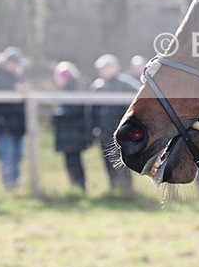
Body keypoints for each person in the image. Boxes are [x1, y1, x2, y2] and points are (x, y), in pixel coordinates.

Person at [90, 53, 137, 194]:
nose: (104, 70)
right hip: (104, 132)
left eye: (107, 67)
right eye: (102, 68)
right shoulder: (98, 86)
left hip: (123, 131)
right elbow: (93, 110)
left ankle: (127, 189)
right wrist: (94, 128)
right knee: (108, 161)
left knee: (124, 160)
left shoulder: (126, 84)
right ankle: (113, 188)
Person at [0, 47, 27, 191]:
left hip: (18, 126)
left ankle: (17, 186)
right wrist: (13, 91)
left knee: (18, 157)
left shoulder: (17, 77)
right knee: (7, 157)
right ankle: (8, 187)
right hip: (2, 125)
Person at [51, 62, 92, 192]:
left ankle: (79, 186)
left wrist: (56, 116)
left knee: (74, 161)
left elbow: (73, 109)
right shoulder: (70, 87)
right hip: (69, 132)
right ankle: (76, 186)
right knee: (71, 160)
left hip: (73, 132)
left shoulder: (74, 88)